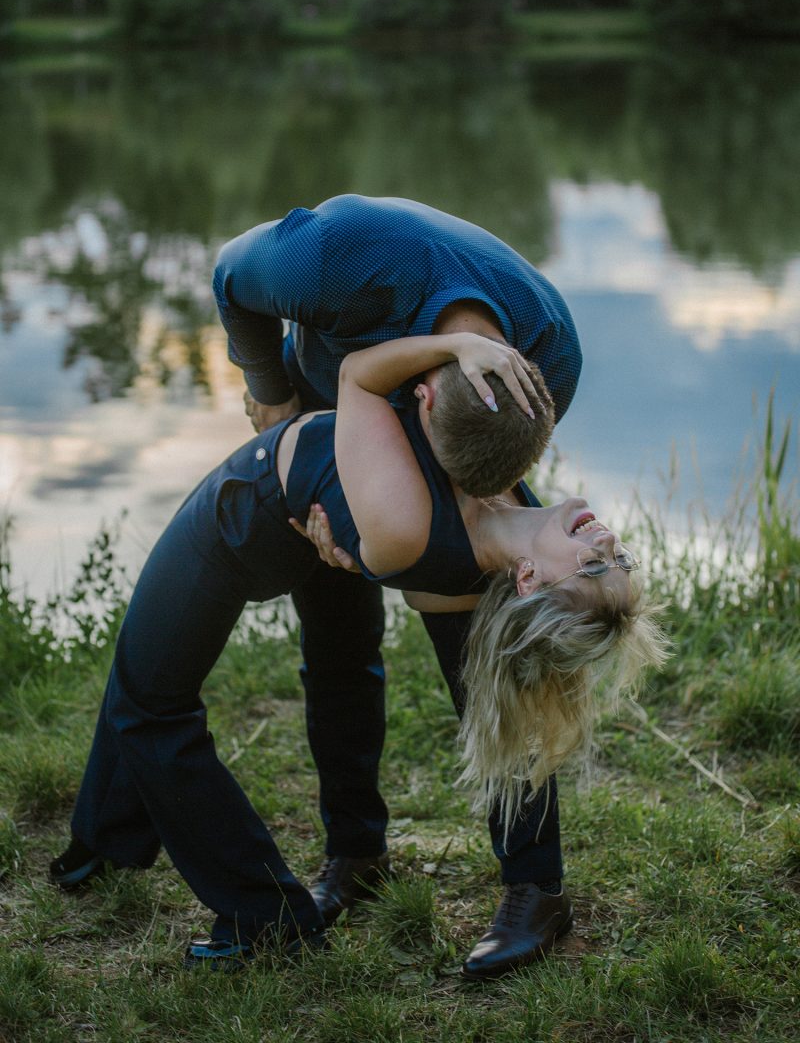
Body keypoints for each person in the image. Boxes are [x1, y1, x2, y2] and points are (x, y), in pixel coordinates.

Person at [50, 333, 666, 973]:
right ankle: (114, 842)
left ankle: (266, 918)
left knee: (149, 702)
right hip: (314, 515)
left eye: (595, 566)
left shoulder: (451, 540)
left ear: (532, 579)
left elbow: (358, 377)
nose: (608, 543)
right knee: (333, 668)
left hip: (247, 512)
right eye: (620, 559)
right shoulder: (510, 517)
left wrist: (450, 344)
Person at [213, 193, 584, 977]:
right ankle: (356, 855)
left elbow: (482, 485)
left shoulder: (548, 356)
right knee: (336, 636)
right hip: (331, 405)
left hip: (461, 449)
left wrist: (434, 546)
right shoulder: (332, 258)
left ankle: (536, 886)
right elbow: (229, 275)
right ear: (423, 395)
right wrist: (273, 395)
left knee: (481, 649)